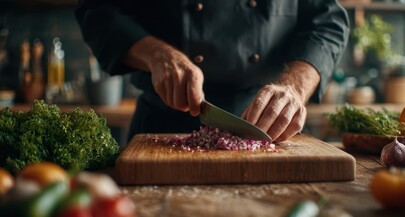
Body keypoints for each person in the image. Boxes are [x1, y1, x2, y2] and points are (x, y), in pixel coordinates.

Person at [75, 0, 349, 142]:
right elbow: (98, 11)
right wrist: (156, 54)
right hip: (163, 126)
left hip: (268, 126)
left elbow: (327, 21)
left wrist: (294, 88)